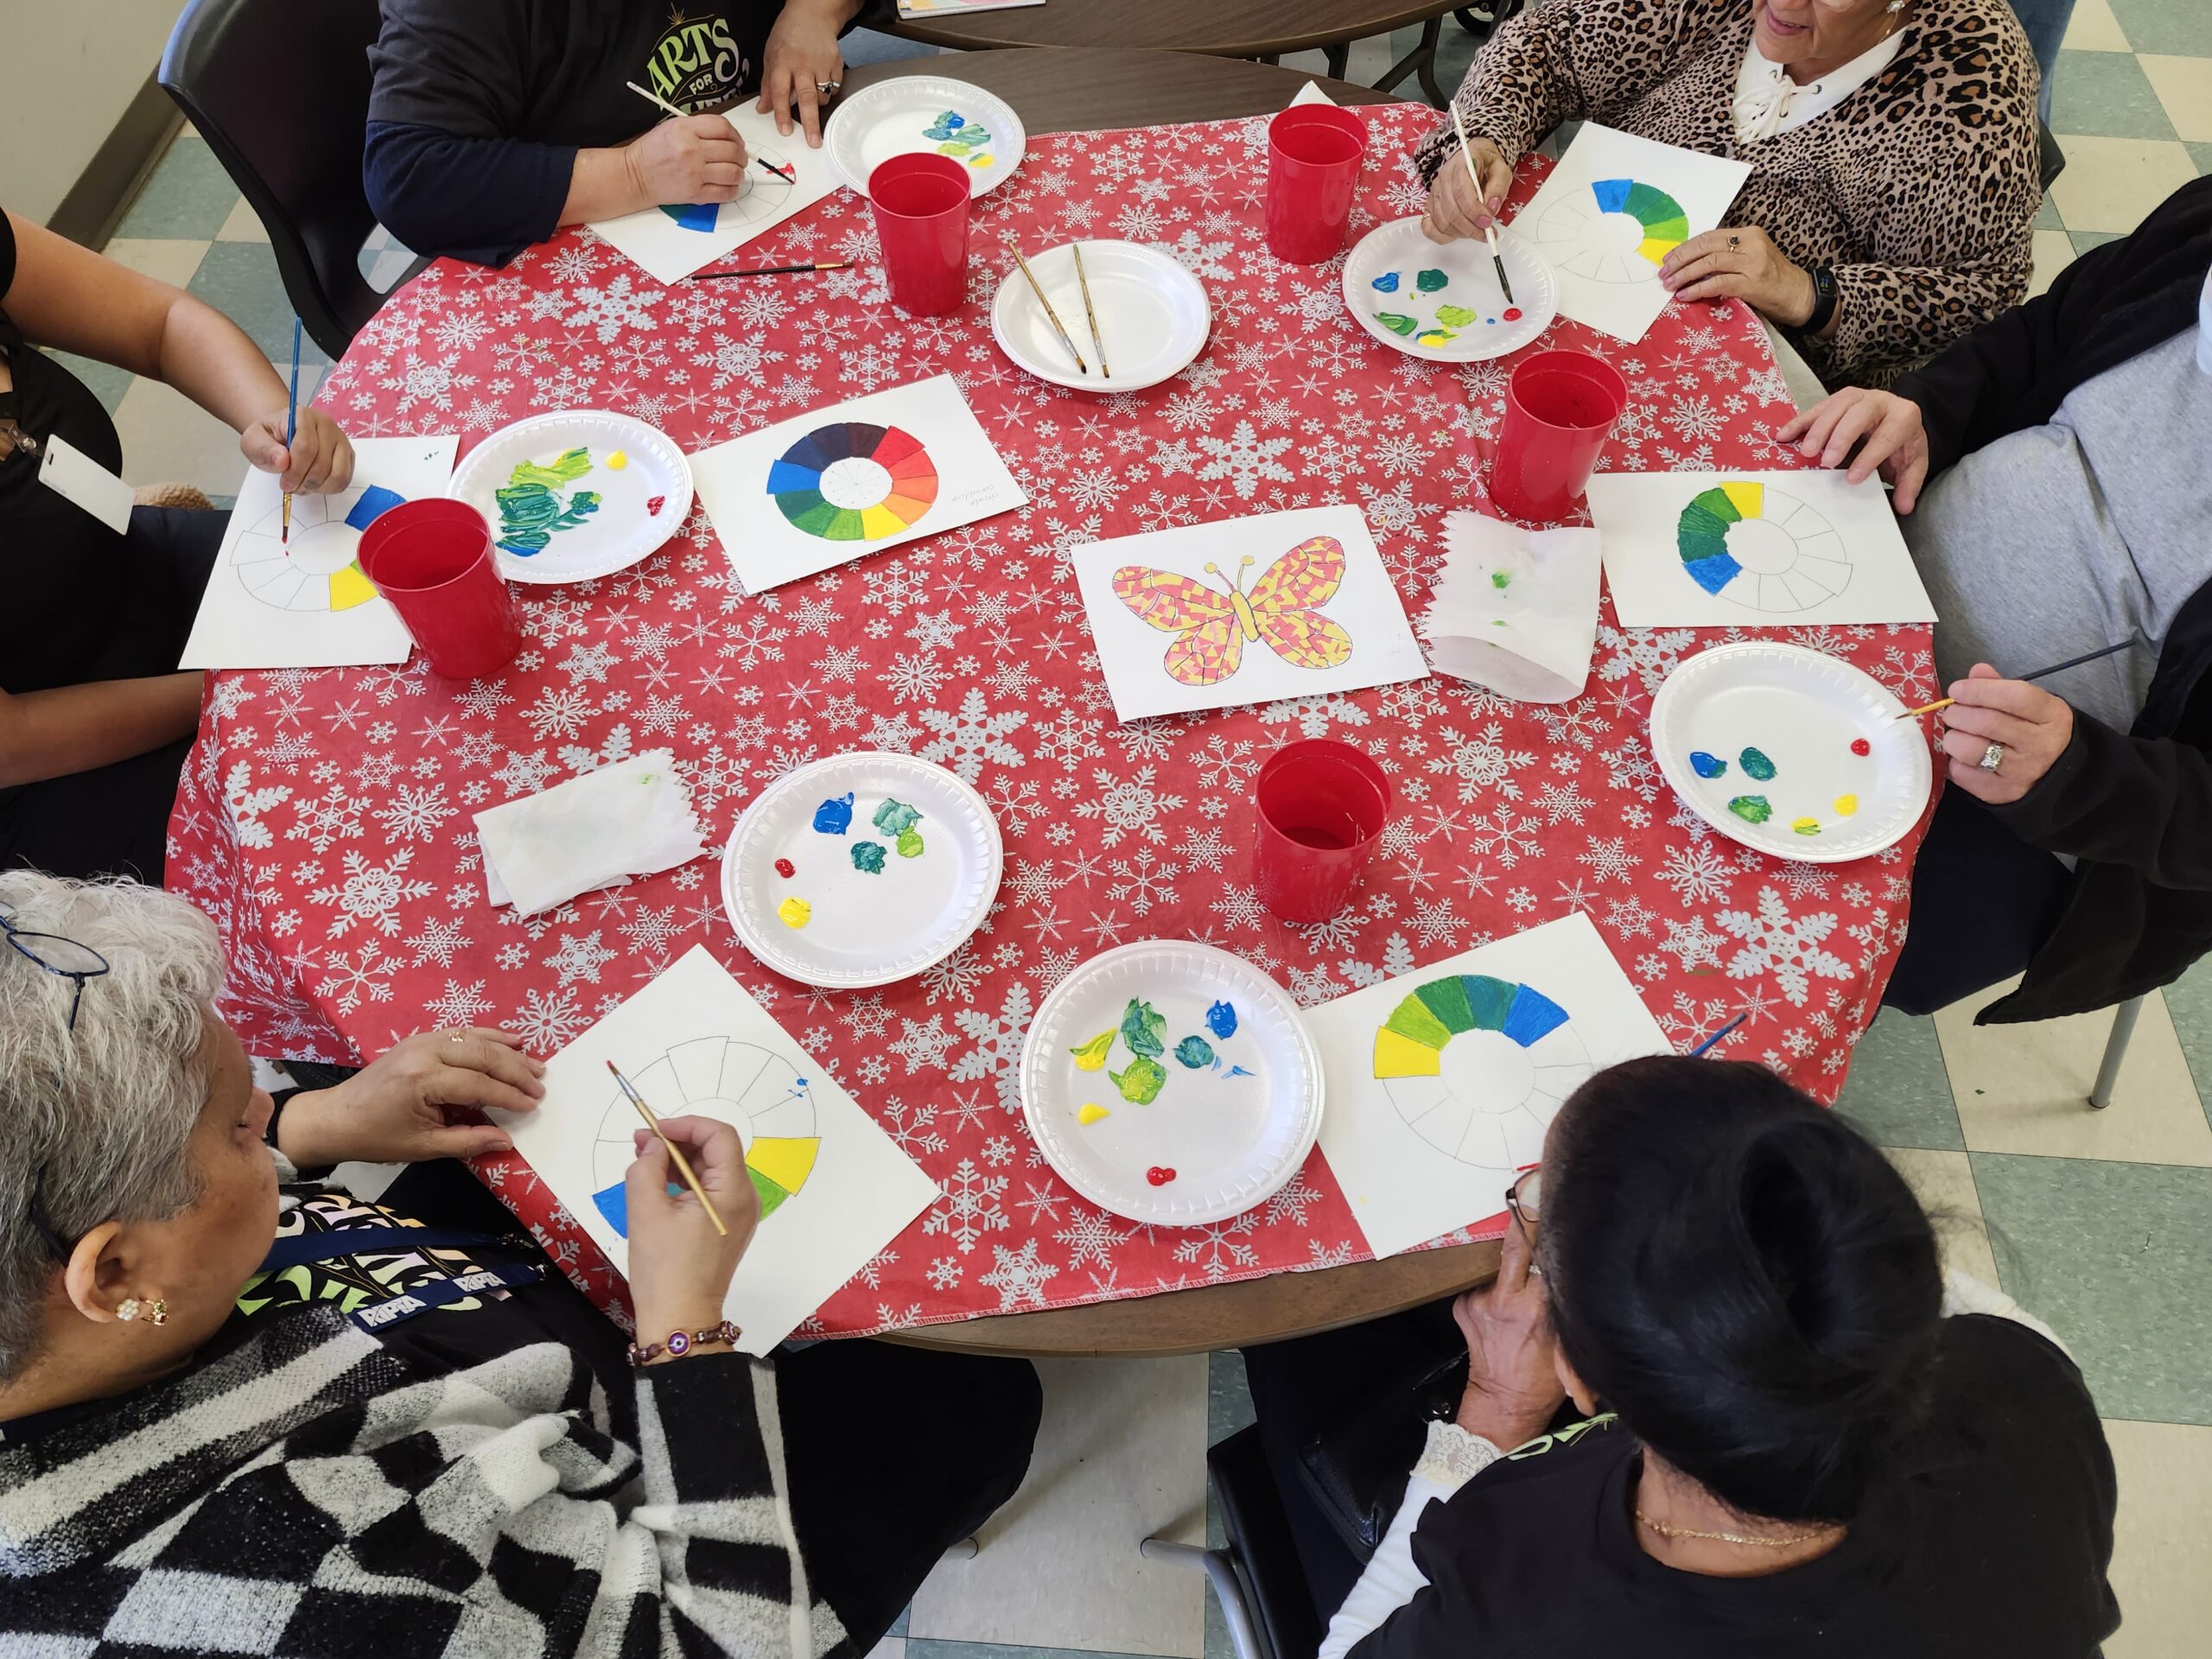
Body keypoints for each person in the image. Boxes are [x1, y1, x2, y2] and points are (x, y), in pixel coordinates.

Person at [0, 871, 1041, 1655]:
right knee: (969, 1397)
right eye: (239, 1126)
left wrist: (315, 1124)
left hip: (451, 1306)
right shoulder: (298, 1588)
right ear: (117, 1276)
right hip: (649, 1506)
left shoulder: (80, 1298)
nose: (265, 1115)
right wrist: (684, 1328)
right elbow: (725, 1643)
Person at [1243, 1056, 2119, 1656]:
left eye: (1538, 1209)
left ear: (1583, 1380)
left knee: (1301, 1341)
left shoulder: (1518, 1603)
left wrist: (1498, 1405)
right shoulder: (2026, 1383)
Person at [1781, 176, 2212, 1023]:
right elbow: (2042, 334)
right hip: (1875, 576)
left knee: (1773, 940)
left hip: (2059, 808)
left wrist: (2080, 776)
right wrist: (1925, 410)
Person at [1417, 0, 2041, 388]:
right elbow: (1549, 41)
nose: (1785, 5)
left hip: (1752, 379)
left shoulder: (1971, 83)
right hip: (1578, 290)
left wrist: (1808, 292)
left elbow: (1983, 291)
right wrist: (1489, 133)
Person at [0, 210, 355, 887]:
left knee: (391, 609)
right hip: (55, 766)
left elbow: (161, 323)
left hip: (132, 568)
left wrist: (273, 420)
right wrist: (234, 683)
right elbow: (13, 744)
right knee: (339, 808)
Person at [365, 0, 865, 266]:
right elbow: (408, 178)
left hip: (767, 204)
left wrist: (814, 11)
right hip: (582, 270)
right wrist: (633, 174)